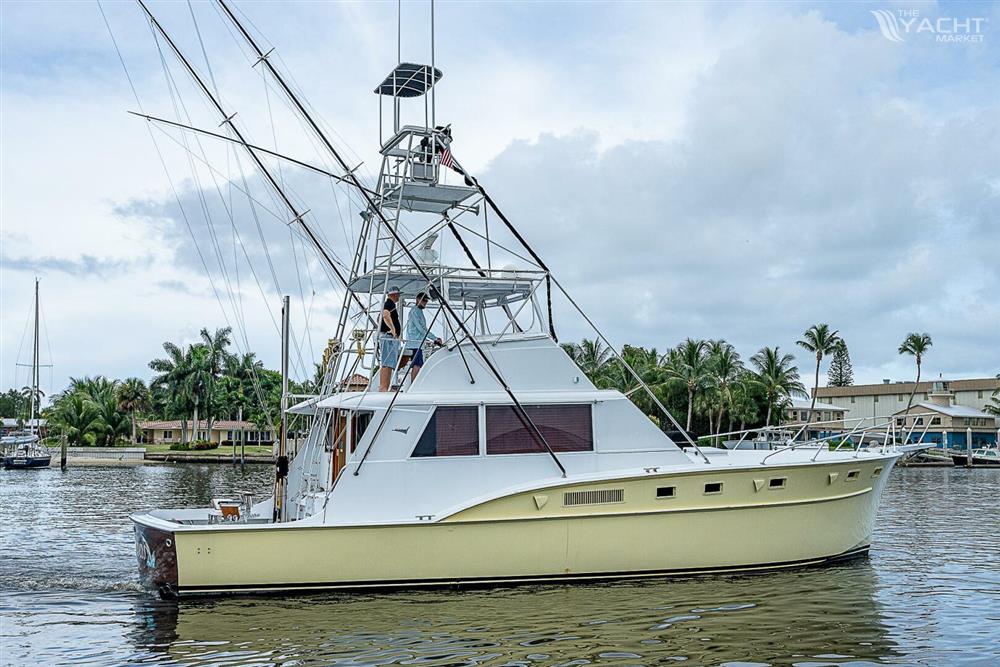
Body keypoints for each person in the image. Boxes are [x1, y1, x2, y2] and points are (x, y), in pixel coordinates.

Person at [402, 291, 443, 382]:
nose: (425, 303)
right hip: (414, 343)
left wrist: (433, 339)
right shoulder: (415, 311)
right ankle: (413, 385)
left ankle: (414, 384)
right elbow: (421, 329)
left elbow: (423, 329)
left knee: (418, 364)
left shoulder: (419, 311)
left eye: (426, 301)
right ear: (418, 299)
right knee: (417, 365)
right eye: (423, 300)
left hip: (418, 343)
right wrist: (435, 338)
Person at [378, 286, 402, 392]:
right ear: (394, 295)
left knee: (389, 363)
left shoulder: (389, 304)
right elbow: (385, 315)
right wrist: (393, 329)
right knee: (386, 363)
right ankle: (383, 387)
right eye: (398, 294)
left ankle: (385, 387)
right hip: (388, 337)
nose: (399, 297)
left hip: (389, 337)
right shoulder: (389, 304)